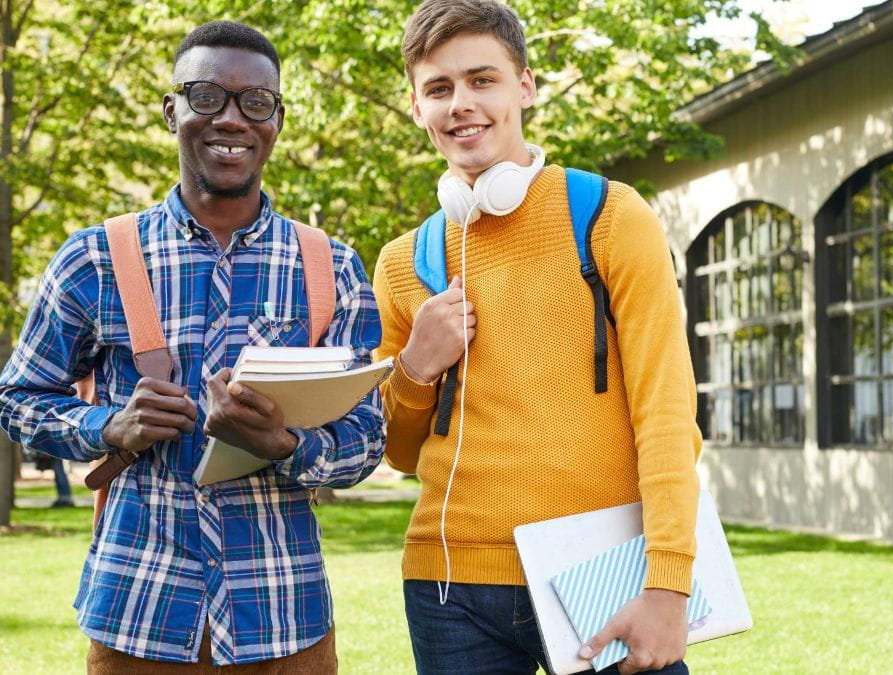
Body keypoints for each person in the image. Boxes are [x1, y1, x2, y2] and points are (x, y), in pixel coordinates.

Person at [0, 21, 383, 671]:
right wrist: (106, 424)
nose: (231, 119)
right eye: (207, 96)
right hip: (138, 618)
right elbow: (17, 398)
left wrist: (283, 445)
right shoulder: (94, 257)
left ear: (277, 121)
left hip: (285, 623)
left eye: (255, 102)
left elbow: (367, 438)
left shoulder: (333, 266)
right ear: (170, 109)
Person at [375, 1, 702, 672]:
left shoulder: (610, 216)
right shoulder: (404, 262)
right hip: (449, 587)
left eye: (482, 79)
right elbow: (401, 452)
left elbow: (667, 412)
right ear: (416, 107)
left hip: (604, 569)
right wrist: (414, 367)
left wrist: (669, 582)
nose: (461, 103)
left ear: (524, 86)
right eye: (439, 88)